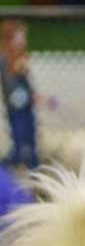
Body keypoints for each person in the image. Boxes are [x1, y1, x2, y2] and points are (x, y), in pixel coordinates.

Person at [0, 19, 39, 170]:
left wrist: (33, 95)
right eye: (20, 36)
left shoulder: (20, 59)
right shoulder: (5, 60)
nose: (23, 40)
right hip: (17, 111)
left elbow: (25, 87)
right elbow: (12, 90)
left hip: (26, 109)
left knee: (30, 145)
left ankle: (35, 174)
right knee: (22, 149)